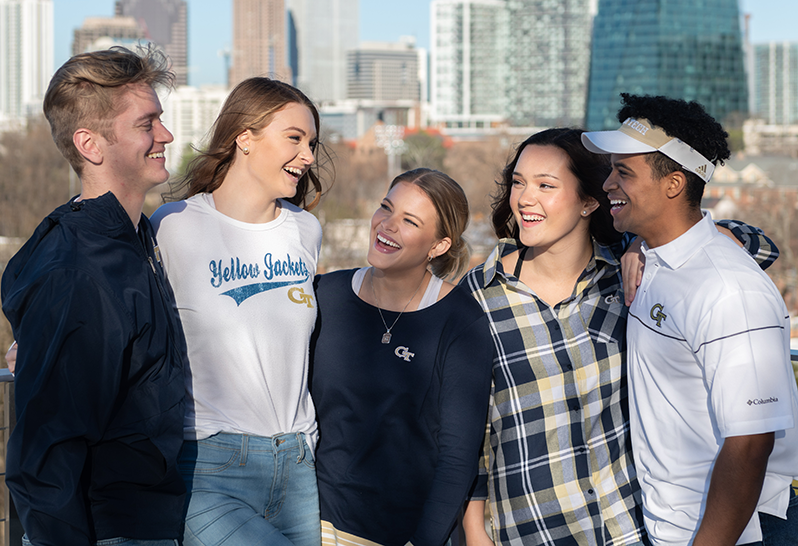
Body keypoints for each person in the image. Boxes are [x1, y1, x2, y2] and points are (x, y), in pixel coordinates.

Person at [459, 128, 779, 546]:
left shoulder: (630, 276)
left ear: (590, 201)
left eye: (545, 186)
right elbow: (466, 434)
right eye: (519, 182)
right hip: (531, 531)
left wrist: (644, 246)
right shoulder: (476, 300)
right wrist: (474, 532)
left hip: (632, 528)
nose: (524, 199)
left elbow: (759, 247)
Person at [582, 93, 798, 546]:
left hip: (735, 532)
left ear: (674, 183)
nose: (607, 185)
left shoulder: (728, 291)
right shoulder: (647, 256)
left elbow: (751, 442)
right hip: (668, 525)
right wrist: (637, 246)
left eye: (624, 172)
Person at [0, 47, 188, 546]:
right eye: (147, 124)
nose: (165, 136)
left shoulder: (132, 238)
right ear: (91, 144)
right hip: (112, 528)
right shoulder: (79, 269)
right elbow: (46, 452)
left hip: (150, 516)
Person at [150, 76, 327, 546]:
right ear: (244, 137)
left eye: (311, 142)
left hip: (296, 464)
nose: (308, 155)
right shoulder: (174, 226)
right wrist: (46, 343)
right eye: (294, 138)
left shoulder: (305, 231)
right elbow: (123, 312)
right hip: (210, 464)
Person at [310, 168, 494, 546]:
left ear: (439, 245)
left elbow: (458, 457)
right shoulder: (325, 294)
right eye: (386, 208)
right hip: (310, 523)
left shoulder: (461, 322)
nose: (387, 225)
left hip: (398, 533)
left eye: (409, 221)